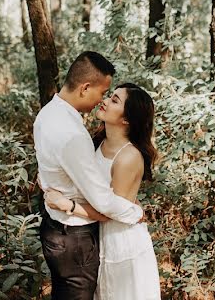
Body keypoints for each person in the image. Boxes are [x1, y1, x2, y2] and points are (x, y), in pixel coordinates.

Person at [34, 52, 144, 300]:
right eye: (103, 93)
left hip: (55, 228)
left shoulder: (47, 113)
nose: (102, 100)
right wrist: (134, 212)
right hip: (74, 238)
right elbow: (103, 202)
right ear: (85, 88)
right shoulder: (73, 134)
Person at [45, 82, 162, 300]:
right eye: (109, 96)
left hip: (122, 243)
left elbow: (109, 212)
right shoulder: (98, 141)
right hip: (98, 237)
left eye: (114, 100)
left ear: (126, 119)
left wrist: (67, 205)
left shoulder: (128, 157)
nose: (105, 101)